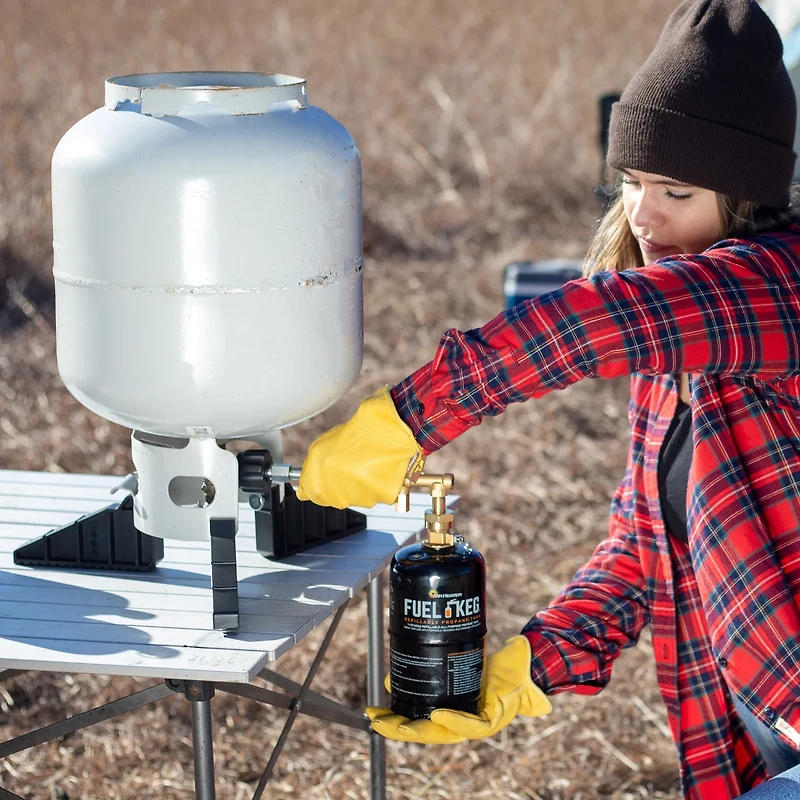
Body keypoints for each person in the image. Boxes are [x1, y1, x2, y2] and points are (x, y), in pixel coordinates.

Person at [297, 1, 800, 797]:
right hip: (752, 716)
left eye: (676, 188)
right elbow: (641, 555)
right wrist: (530, 666)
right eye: (632, 182)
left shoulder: (776, 288)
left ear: (746, 199)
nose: (644, 213)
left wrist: (408, 418)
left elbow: (585, 325)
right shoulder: (671, 355)